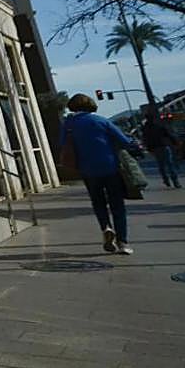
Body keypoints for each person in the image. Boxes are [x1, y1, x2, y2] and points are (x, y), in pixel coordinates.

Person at [60, 93, 139, 255]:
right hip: (110, 167)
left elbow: (62, 144)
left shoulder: (68, 125)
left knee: (98, 202)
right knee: (117, 205)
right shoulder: (101, 121)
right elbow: (124, 141)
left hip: (87, 170)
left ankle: (106, 227)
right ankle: (123, 242)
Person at [141, 111, 182, 188]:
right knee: (169, 164)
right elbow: (168, 134)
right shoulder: (158, 125)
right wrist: (176, 142)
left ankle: (166, 180)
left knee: (161, 165)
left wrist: (149, 148)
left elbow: (145, 139)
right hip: (163, 146)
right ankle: (175, 181)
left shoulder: (145, 128)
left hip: (155, 148)